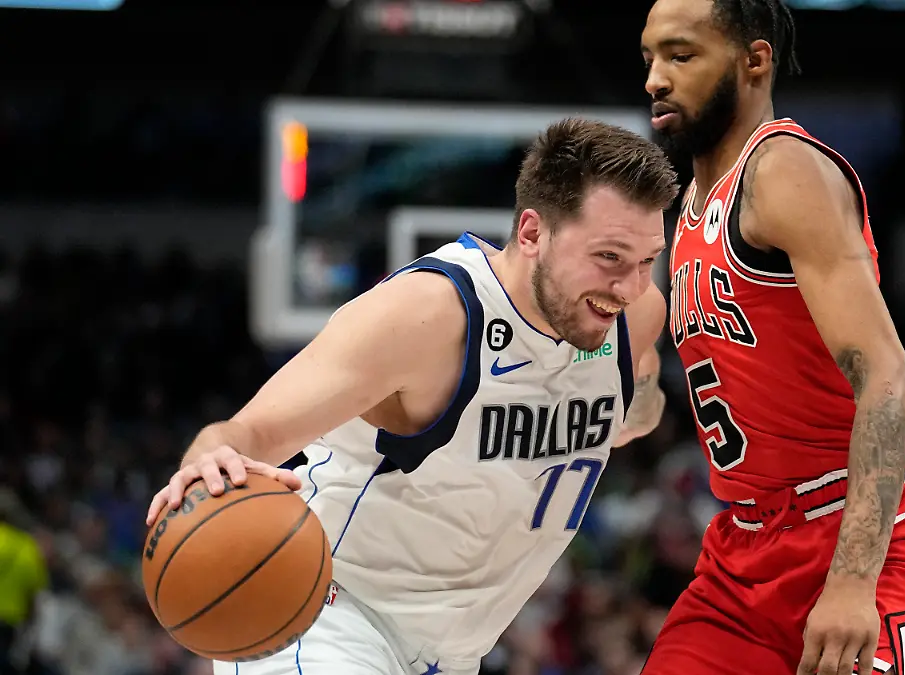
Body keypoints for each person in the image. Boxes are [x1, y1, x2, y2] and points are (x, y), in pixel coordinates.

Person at [144, 118, 679, 675]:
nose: (631, 285)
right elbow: (248, 433)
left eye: (647, 261)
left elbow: (631, 403)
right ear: (531, 233)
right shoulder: (428, 314)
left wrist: (637, 409)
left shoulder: (632, 317)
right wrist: (208, 464)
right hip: (328, 619)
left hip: (452, 655)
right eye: (609, 258)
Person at [639, 1, 905, 674]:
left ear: (753, 61)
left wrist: (852, 582)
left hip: (867, 532)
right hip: (744, 549)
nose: (654, 79)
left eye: (680, 56)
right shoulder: (683, 213)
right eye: (648, 57)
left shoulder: (783, 172)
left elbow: (888, 378)